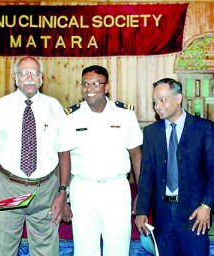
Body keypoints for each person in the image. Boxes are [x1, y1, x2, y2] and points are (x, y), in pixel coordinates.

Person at [0, 56, 75, 256]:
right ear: (15, 78)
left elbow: (64, 153)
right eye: (24, 73)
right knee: (0, 251)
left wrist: (63, 193)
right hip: (8, 189)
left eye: (34, 72)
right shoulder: (1, 107)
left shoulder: (54, 107)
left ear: (41, 79)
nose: (29, 77)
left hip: (46, 190)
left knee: (47, 252)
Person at [64, 65, 142, 256]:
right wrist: (63, 194)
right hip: (83, 189)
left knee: (118, 247)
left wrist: (142, 191)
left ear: (106, 87)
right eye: (85, 84)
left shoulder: (125, 115)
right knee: (84, 249)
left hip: (116, 189)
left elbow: (136, 155)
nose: (89, 89)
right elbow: (63, 157)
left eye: (96, 84)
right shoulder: (70, 117)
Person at [135, 78, 214, 256]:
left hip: (195, 216)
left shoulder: (204, 129)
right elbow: (146, 175)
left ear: (178, 98)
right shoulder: (151, 133)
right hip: (162, 217)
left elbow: (213, 172)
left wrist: (207, 206)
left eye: (163, 100)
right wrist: (141, 210)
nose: (157, 106)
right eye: (154, 101)